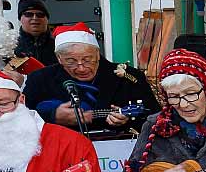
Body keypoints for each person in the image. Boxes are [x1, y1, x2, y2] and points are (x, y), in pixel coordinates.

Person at [22, 22, 158, 134]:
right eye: (71, 61)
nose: (81, 68)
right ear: (59, 58)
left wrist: (128, 120)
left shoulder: (129, 77)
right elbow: (20, 118)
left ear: (98, 54)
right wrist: (52, 117)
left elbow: (156, 119)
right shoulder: (39, 79)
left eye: (88, 59)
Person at [14, 0, 57, 66]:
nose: (35, 18)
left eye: (40, 14)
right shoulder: (11, 47)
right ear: (20, 18)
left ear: (47, 19)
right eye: (28, 14)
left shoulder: (58, 45)